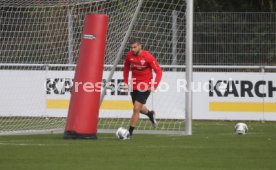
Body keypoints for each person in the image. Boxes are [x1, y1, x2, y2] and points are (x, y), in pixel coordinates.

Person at [123, 39, 163, 137]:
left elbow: (159, 71)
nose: (132, 49)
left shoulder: (147, 56)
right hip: (134, 84)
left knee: (136, 108)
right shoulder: (129, 56)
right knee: (139, 109)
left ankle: (129, 133)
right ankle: (150, 114)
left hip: (145, 85)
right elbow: (126, 68)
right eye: (131, 47)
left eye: (135, 47)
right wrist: (125, 82)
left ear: (140, 46)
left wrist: (154, 85)